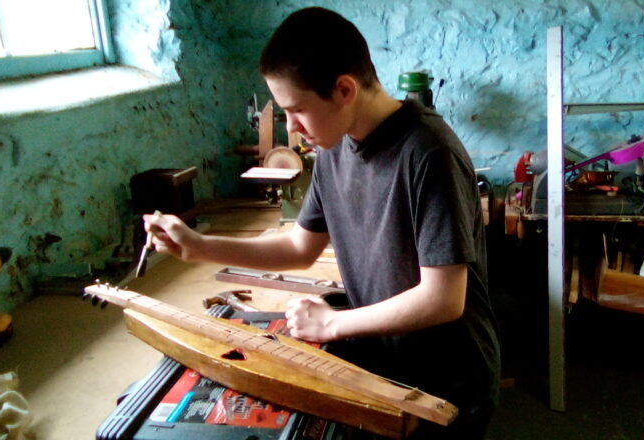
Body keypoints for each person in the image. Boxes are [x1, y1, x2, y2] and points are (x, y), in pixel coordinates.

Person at [144, 7, 500, 439]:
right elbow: (298, 247)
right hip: (382, 358)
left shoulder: (428, 154)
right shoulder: (335, 148)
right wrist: (199, 246)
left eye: (297, 111)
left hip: (446, 380)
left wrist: (332, 323)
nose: (291, 128)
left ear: (344, 89)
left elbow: (443, 299)